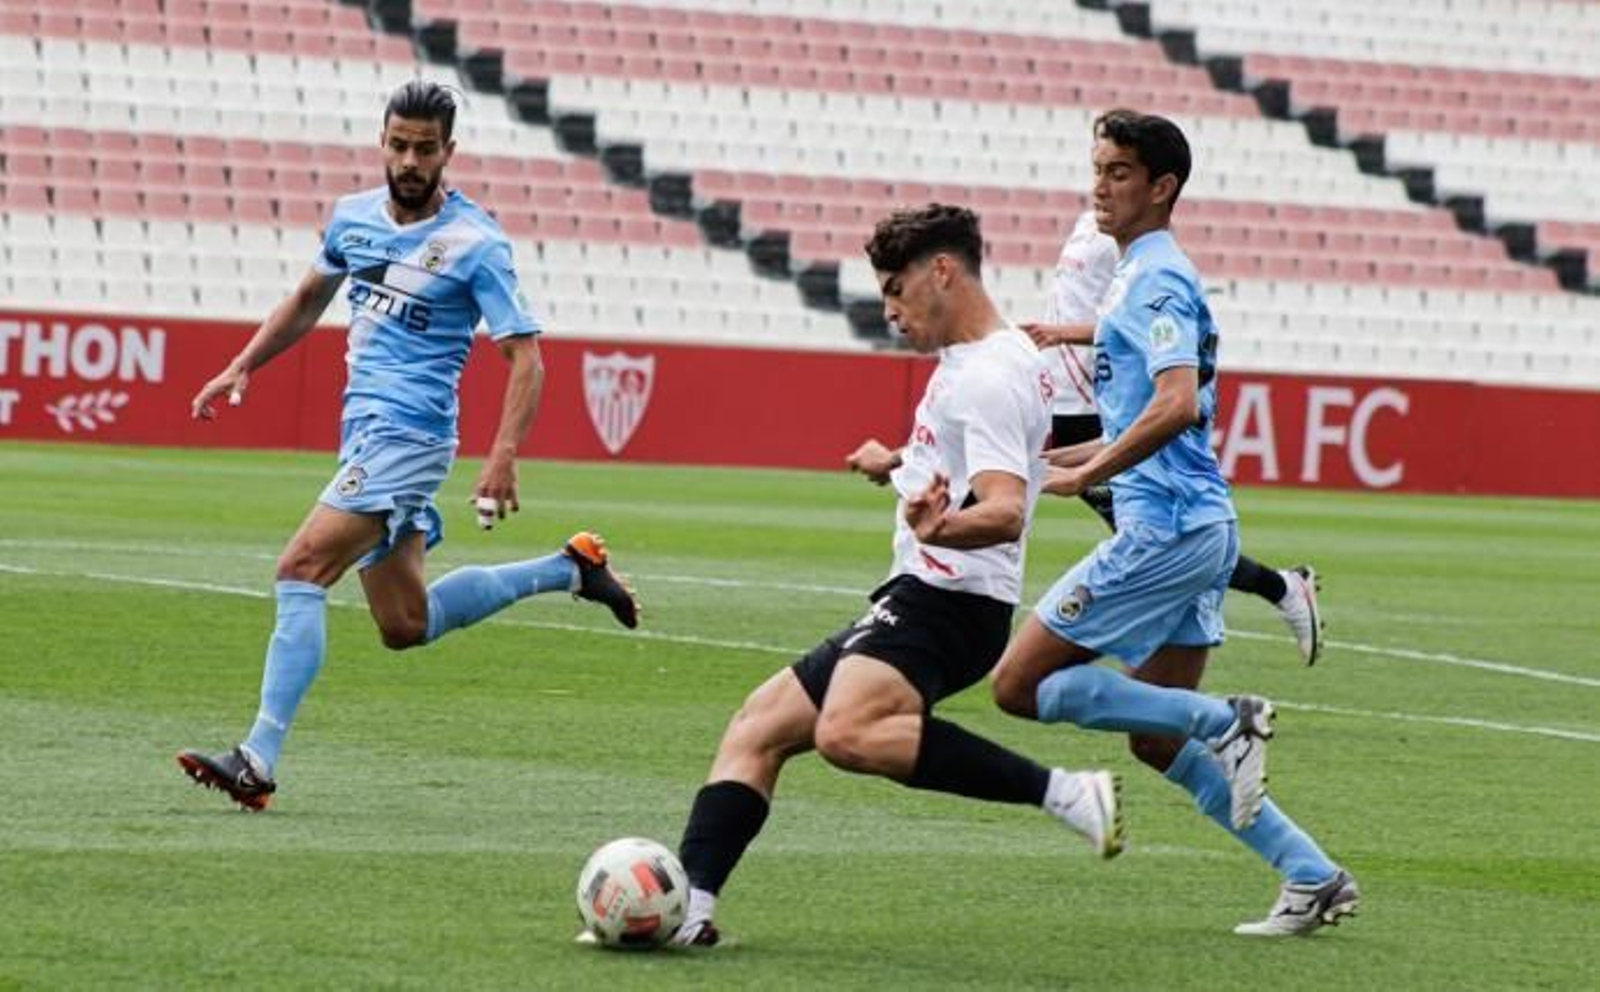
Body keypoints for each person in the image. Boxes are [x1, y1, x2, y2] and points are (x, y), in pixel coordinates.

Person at [175, 81, 639, 811]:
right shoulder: (353, 218)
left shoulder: (477, 244)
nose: (410, 159)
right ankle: (570, 569)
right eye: (399, 144)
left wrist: (504, 452)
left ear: (448, 152)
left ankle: (257, 756)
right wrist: (243, 363)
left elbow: (526, 356)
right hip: (364, 433)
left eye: (425, 148)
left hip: (412, 436)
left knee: (300, 568)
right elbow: (307, 300)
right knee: (405, 623)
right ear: (383, 142)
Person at [667, 205, 1122, 948]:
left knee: (848, 732)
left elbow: (1005, 510)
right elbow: (965, 476)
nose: (888, 311)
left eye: (895, 289)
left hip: (950, 603)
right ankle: (692, 909)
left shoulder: (991, 377)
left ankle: (1069, 793)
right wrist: (900, 467)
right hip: (920, 592)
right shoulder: (980, 361)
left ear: (942, 271)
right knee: (759, 727)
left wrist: (941, 527)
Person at [990, 110, 1359, 937]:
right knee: (1153, 739)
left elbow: (1175, 401)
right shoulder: (1140, 274)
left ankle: (1224, 720)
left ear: (1162, 188)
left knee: (1018, 686)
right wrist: (1049, 460)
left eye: (1118, 172)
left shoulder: (1156, 279)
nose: (1100, 185)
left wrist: (1090, 469)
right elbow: (1147, 394)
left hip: (1164, 532)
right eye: (1097, 168)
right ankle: (1311, 875)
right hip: (1196, 530)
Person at [1021, 208, 1325, 665]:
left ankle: (1279, 588)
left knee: (1155, 535)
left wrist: (1066, 335)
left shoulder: (1135, 248)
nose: (1102, 175)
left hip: (1093, 401)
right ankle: (1273, 592)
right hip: (1066, 396)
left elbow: (1137, 323)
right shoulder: (1093, 224)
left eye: (1115, 165)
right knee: (1143, 530)